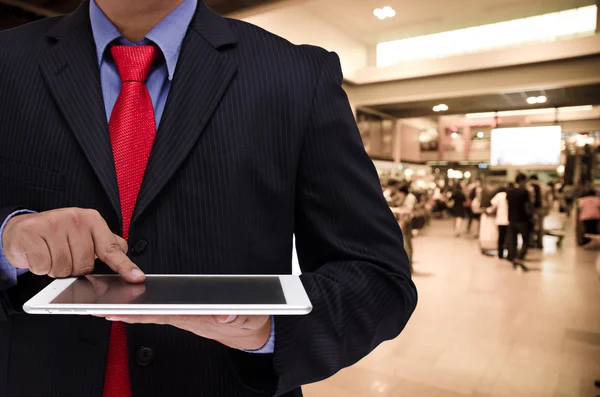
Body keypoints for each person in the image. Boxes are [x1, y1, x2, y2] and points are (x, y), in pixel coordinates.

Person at [0, 1, 418, 396]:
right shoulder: (8, 61)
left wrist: (267, 327)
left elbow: (379, 278)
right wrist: (7, 235)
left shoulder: (297, 75)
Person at [506, 174, 533, 271]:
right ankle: (519, 257)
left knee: (513, 240)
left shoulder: (509, 192)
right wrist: (531, 216)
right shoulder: (524, 192)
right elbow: (527, 207)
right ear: (522, 181)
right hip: (522, 219)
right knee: (526, 240)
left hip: (511, 219)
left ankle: (513, 258)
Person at [528, 175, 552, 248]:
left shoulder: (529, 187)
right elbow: (550, 200)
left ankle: (531, 242)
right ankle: (540, 243)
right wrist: (548, 209)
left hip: (532, 209)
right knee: (541, 226)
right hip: (542, 208)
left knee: (531, 225)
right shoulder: (546, 187)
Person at [489, 186, 509, 259]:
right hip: (509, 219)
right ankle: (510, 253)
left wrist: (488, 211)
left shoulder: (499, 195)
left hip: (501, 219)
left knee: (501, 237)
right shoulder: (509, 194)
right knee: (508, 237)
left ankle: (500, 253)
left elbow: (493, 207)